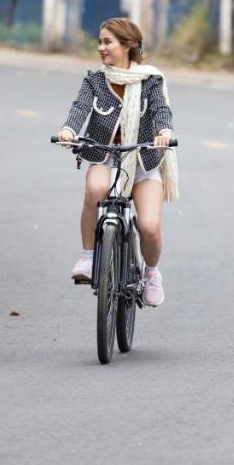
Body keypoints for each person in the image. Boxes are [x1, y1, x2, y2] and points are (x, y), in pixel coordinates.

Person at [56, 17, 178, 307]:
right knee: (95, 190)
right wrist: (69, 130)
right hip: (106, 155)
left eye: (107, 42)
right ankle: (88, 257)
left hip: (143, 159)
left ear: (128, 45)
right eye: (99, 42)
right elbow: (80, 108)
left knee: (149, 226)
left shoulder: (151, 80)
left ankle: (151, 273)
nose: (101, 48)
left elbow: (162, 110)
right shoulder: (95, 80)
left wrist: (163, 132)